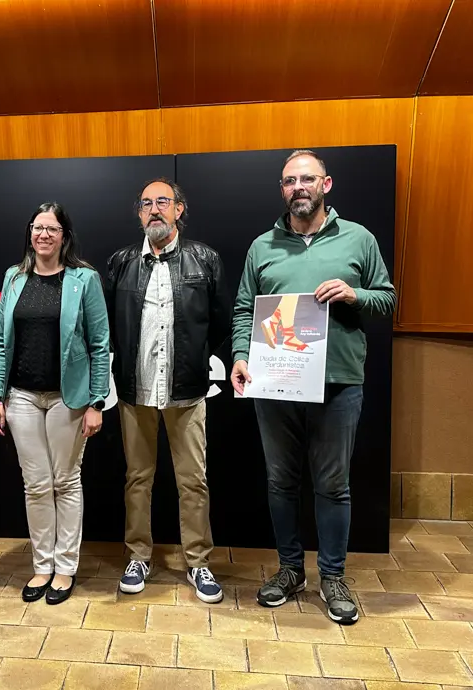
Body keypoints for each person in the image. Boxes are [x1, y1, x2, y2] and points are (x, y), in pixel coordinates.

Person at [230, 150, 396, 625]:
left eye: (307, 179)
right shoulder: (262, 246)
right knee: (280, 482)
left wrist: (354, 294)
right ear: (282, 189)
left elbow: (386, 298)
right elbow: (245, 309)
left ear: (326, 184)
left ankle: (333, 576)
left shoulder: (358, 239)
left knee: (333, 485)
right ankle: (288, 571)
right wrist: (242, 355)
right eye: (289, 181)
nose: (298, 187)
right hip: (276, 382)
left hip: (338, 383)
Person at [106, 178, 230, 603]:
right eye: (146, 204)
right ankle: (138, 555)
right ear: (139, 213)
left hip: (187, 392)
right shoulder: (121, 262)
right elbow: (108, 325)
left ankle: (198, 563)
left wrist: (194, 361)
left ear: (180, 209)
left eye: (163, 202)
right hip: (134, 391)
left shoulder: (205, 260)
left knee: (193, 481)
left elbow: (219, 322)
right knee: (137, 478)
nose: (154, 209)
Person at [0, 202, 109, 605]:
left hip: (67, 399)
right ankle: (42, 565)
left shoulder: (84, 279)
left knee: (65, 481)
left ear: (64, 236)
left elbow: (100, 343)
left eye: (51, 229)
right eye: (37, 228)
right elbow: (1, 342)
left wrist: (96, 402)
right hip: (21, 397)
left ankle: (65, 568)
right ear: (30, 233)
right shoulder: (13, 278)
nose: (43, 235)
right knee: (36, 485)